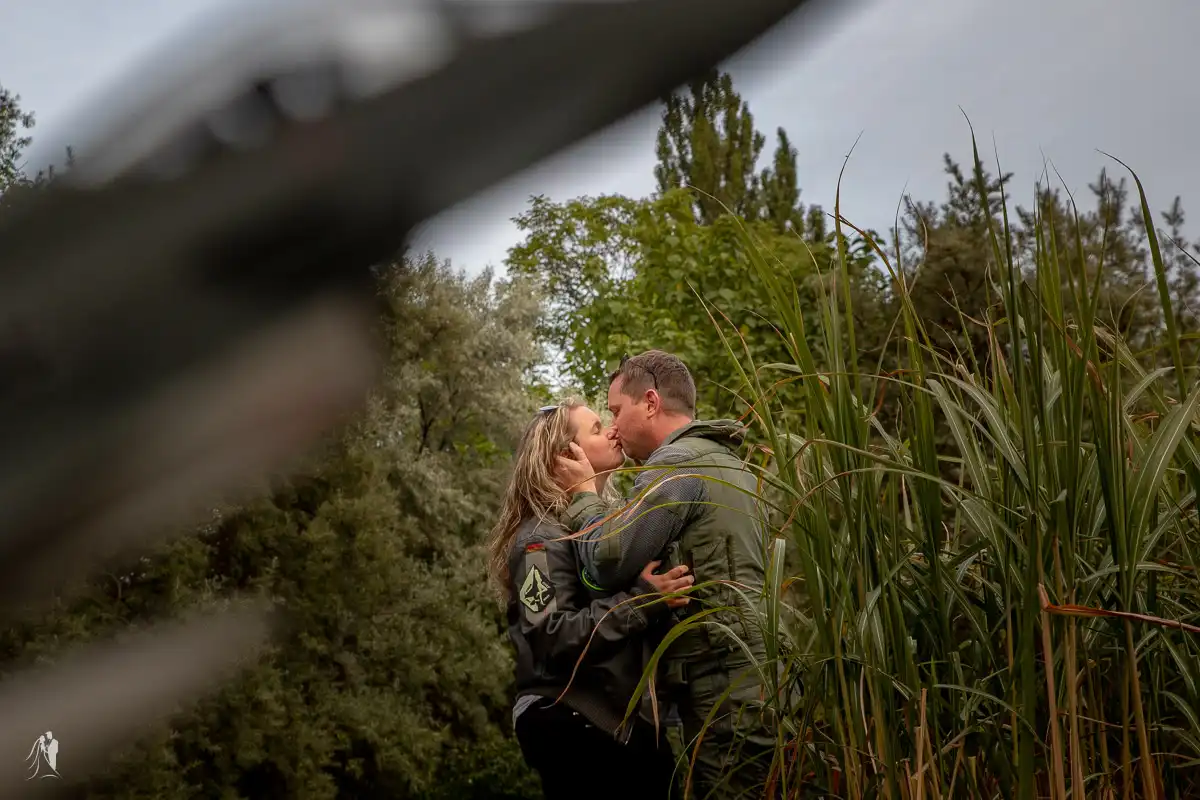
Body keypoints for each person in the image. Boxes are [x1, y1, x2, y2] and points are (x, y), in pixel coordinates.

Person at [555, 351, 780, 799]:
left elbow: (605, 558)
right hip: (751, 679)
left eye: (616, 412)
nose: (613, 428)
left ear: (652, 402)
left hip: (720, 687)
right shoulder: (729, 464)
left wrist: (581, 494)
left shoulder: (676, 464)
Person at [487, 399, 694, 800]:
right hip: (573, 722)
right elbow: (550, 635)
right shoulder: (538, 542)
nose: (613, 431)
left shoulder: (602, 532)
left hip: (616, 727)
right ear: (566, 455)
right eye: (597, 429)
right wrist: (643, 601)